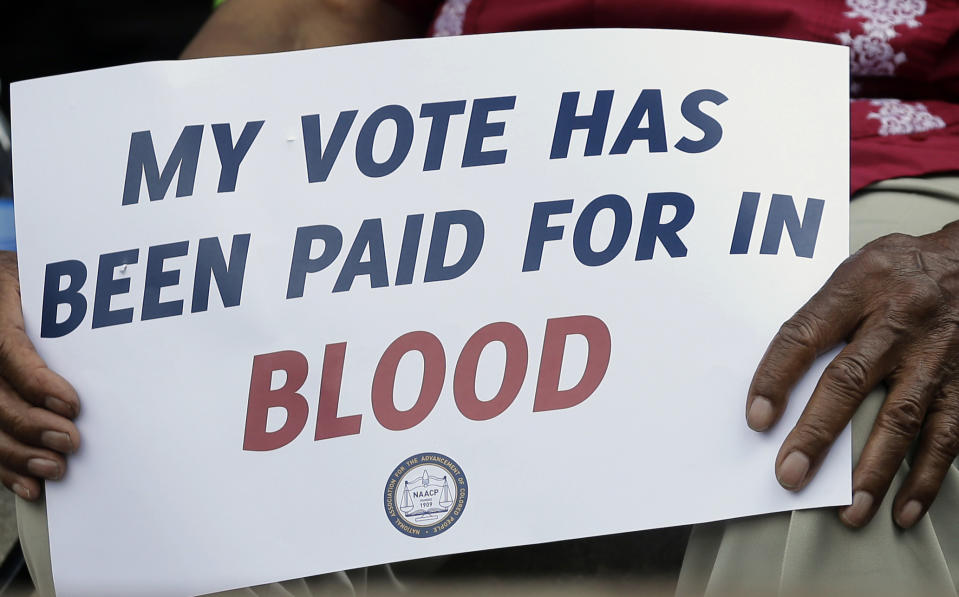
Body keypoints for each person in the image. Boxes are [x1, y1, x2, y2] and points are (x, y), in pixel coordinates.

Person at [8, 1, 959, 595]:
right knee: (99, 382)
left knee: (843, 377)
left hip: (873, 165)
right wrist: (97, 250)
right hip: (469, 167)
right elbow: (311, 15)